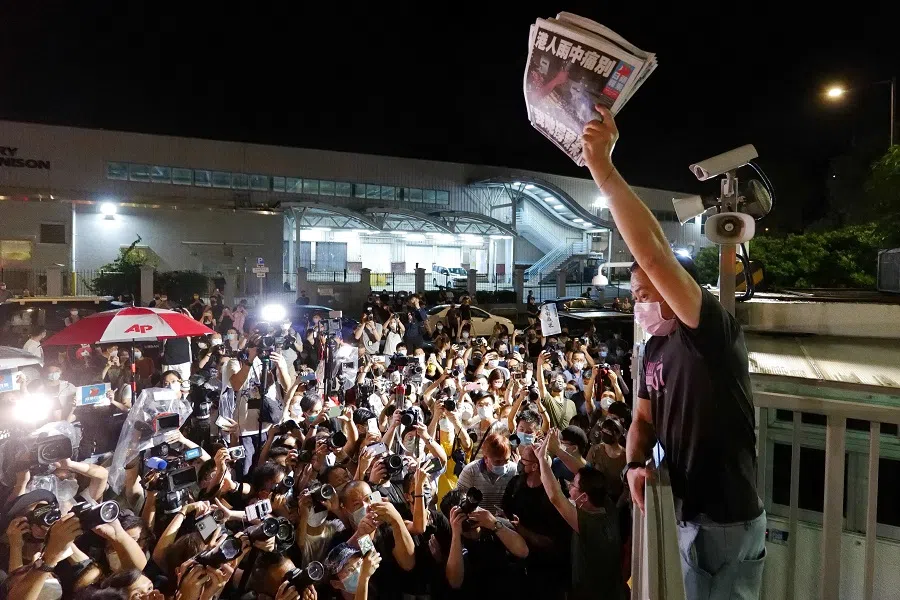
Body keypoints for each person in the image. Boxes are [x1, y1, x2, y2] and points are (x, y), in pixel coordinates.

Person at [582, 105, 765, 598]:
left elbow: (654, 252)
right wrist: (634, 465)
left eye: (645, 293)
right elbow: (643, 420)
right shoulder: (655, 349)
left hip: (726, 517)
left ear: (673, 287)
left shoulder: (709, 330)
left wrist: (603, 168)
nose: (639, 303)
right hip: (689, 511)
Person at [537, 433, 627, 600]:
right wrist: (557, 450)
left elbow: (556, 498)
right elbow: (583, 471)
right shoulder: (607, 505)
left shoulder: (590, 524)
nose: (570, 487)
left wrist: (542, 459)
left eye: (573, 486)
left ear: (584, 497)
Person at [502, 444, 571, 600]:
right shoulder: (515, 484)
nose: (519, 463)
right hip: (518, 564)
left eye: (524, 460)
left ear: (535, 466)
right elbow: (505, 509)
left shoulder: (557, 493)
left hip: (547, 570)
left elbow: (553, 541)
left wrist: (522, 530)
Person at [455, 432, 516, 515]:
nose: (503, 465)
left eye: (506, 460)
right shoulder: (470, 471)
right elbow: (459, 498)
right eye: (498, 461)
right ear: (486, 458)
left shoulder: (514, 471)